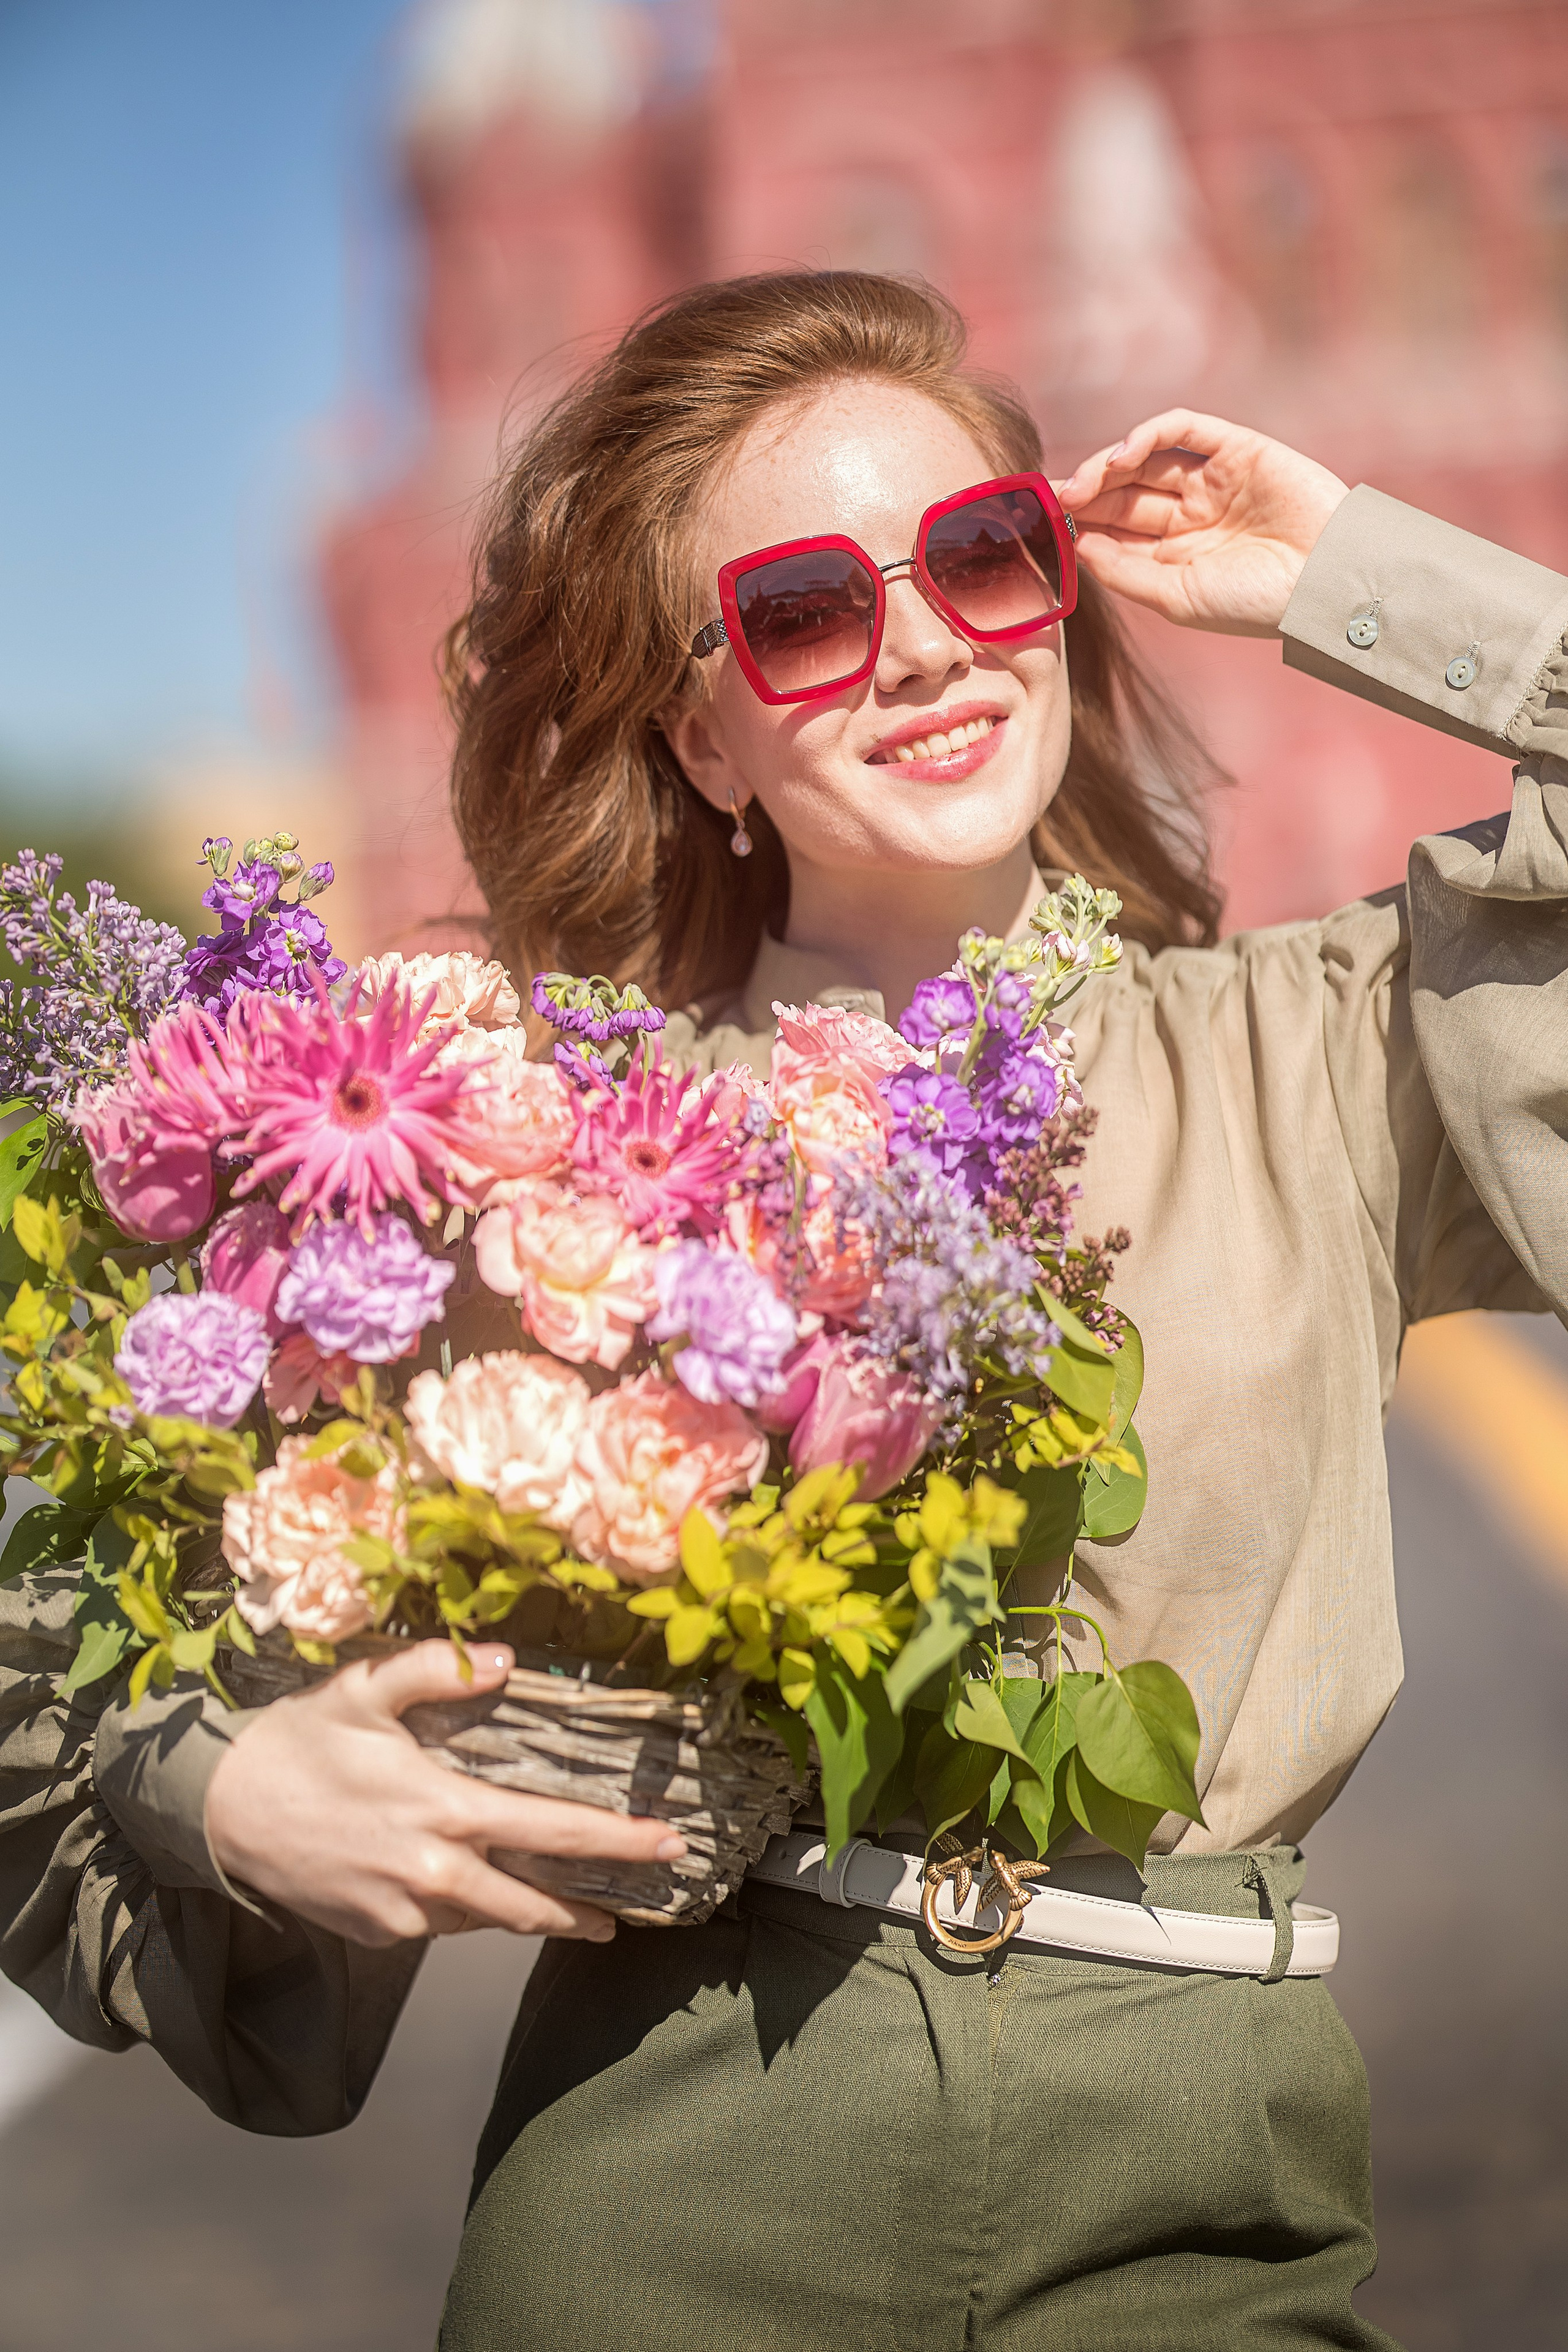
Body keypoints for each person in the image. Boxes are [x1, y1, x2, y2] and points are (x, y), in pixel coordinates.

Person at [4, 270, 1567, 2346]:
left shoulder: (1329, 1052)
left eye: (985, 557)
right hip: (675, 2199)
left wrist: (1355, 575)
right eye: (807, 612)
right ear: (700, 731)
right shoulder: (535, 1150)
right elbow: (100, 1593)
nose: (924, 641)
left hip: (1210, 2197)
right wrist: (215, 1776)